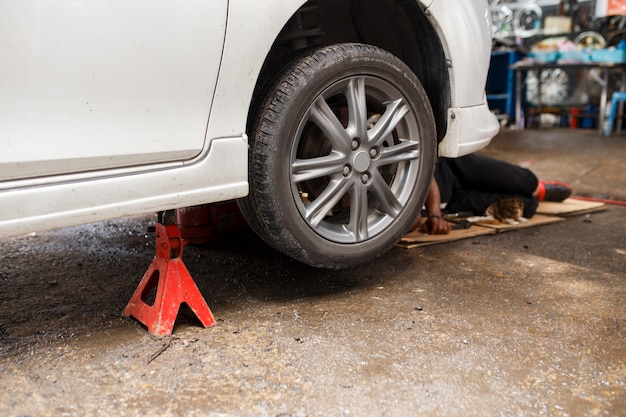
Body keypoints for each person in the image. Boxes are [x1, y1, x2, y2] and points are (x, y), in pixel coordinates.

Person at [414, 153, 572, 235]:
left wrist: (434, 215)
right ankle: (536, 196)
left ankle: (540, 189)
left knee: (527, 183)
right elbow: (412, 221)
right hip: (452, 203)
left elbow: (423, 169)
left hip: (451, 169)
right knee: (526, 206)